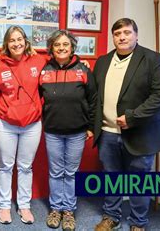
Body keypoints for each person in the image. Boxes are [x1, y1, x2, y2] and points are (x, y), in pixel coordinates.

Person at [93, 18, 160, 231]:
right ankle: (111, 216)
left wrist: (132, 117)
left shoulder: (154, 59)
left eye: (127, 32)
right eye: (117, 34)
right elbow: (95, 96)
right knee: (112, 177)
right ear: (113, 37)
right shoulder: (103, 61)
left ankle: (138, 222)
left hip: (140, 133)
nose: (122, 37)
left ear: (136, 34)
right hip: (108, 132)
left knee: (138, 181)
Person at [39, 30, 97, 231]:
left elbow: (93, 101)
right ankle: (56, 209)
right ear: (51, 49)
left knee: (71, 173)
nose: (61, 48)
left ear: (72, 47)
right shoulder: (44, 70)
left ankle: (69, 211)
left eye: (65, 44)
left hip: (77, 132)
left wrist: (90, 126)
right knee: (56, 172)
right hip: (52, 131)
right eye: (57, 45)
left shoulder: (83, 70)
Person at [0, 25, 47, 225]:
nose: (16, 43)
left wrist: (81, 62)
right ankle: (5, 206)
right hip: (5, 124)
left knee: (25, 167)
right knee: (5, 166)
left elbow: (59, 69)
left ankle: (24, 206)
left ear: (26, 41)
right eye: (12, 40)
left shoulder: (39, 61)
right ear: (7, 44)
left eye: (19, 39)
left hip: (32, 124)